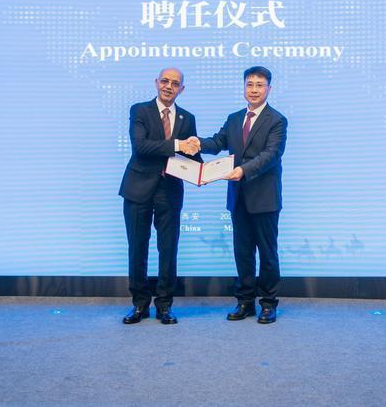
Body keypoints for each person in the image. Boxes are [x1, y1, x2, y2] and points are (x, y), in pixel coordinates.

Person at [192, 66, 287, 324]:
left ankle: (268, 304)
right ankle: (245, 302)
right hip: (238, 198)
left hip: (265, 198)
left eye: (259, 85)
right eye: (249, 84)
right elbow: (218, 142)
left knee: (267, 253)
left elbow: (271, 155)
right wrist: (197, 143)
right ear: (244, 87)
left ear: (269, 89)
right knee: (242, 252)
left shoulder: (277, 120)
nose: (254, 90)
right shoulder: (235, 118)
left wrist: (243, 170)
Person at [118, 68, 201, 325]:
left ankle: (164, 305)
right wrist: (178, 144)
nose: (168, 86)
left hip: (170, 190)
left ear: (181, 89)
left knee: (168, 249)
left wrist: (206, 170)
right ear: (156, 83)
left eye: (175, 83)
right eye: (165, 81)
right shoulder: (139, 110)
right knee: (137, 248)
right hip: (138, 189)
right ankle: (139, 305)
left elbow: (191, 154)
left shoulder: (187, 118)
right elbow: (140, 146)